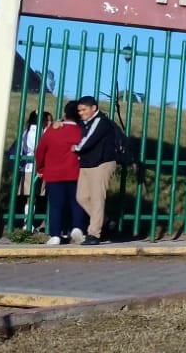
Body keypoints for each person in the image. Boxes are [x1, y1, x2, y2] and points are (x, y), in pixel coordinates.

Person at [73, 96, 124, 245]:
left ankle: (94, 234)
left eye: (84, 109)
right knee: (82, 197)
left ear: (94, 108)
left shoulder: (100, 122)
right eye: (79, 110)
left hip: (101, 163)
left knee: (97, 199)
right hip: (87, 163)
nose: (81, 113)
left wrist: (76, 149)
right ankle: (106, 221)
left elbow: (89, 140)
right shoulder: (86, 122)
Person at [33, 101, 86, 245]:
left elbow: (40, 151)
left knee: (56, 205)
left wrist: (41, 169)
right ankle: (77, 227)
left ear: (65, 114)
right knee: (77, 203)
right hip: (76, 172)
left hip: (54, 173)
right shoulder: (82, 131)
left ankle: (55, 235)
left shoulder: (52, 130)